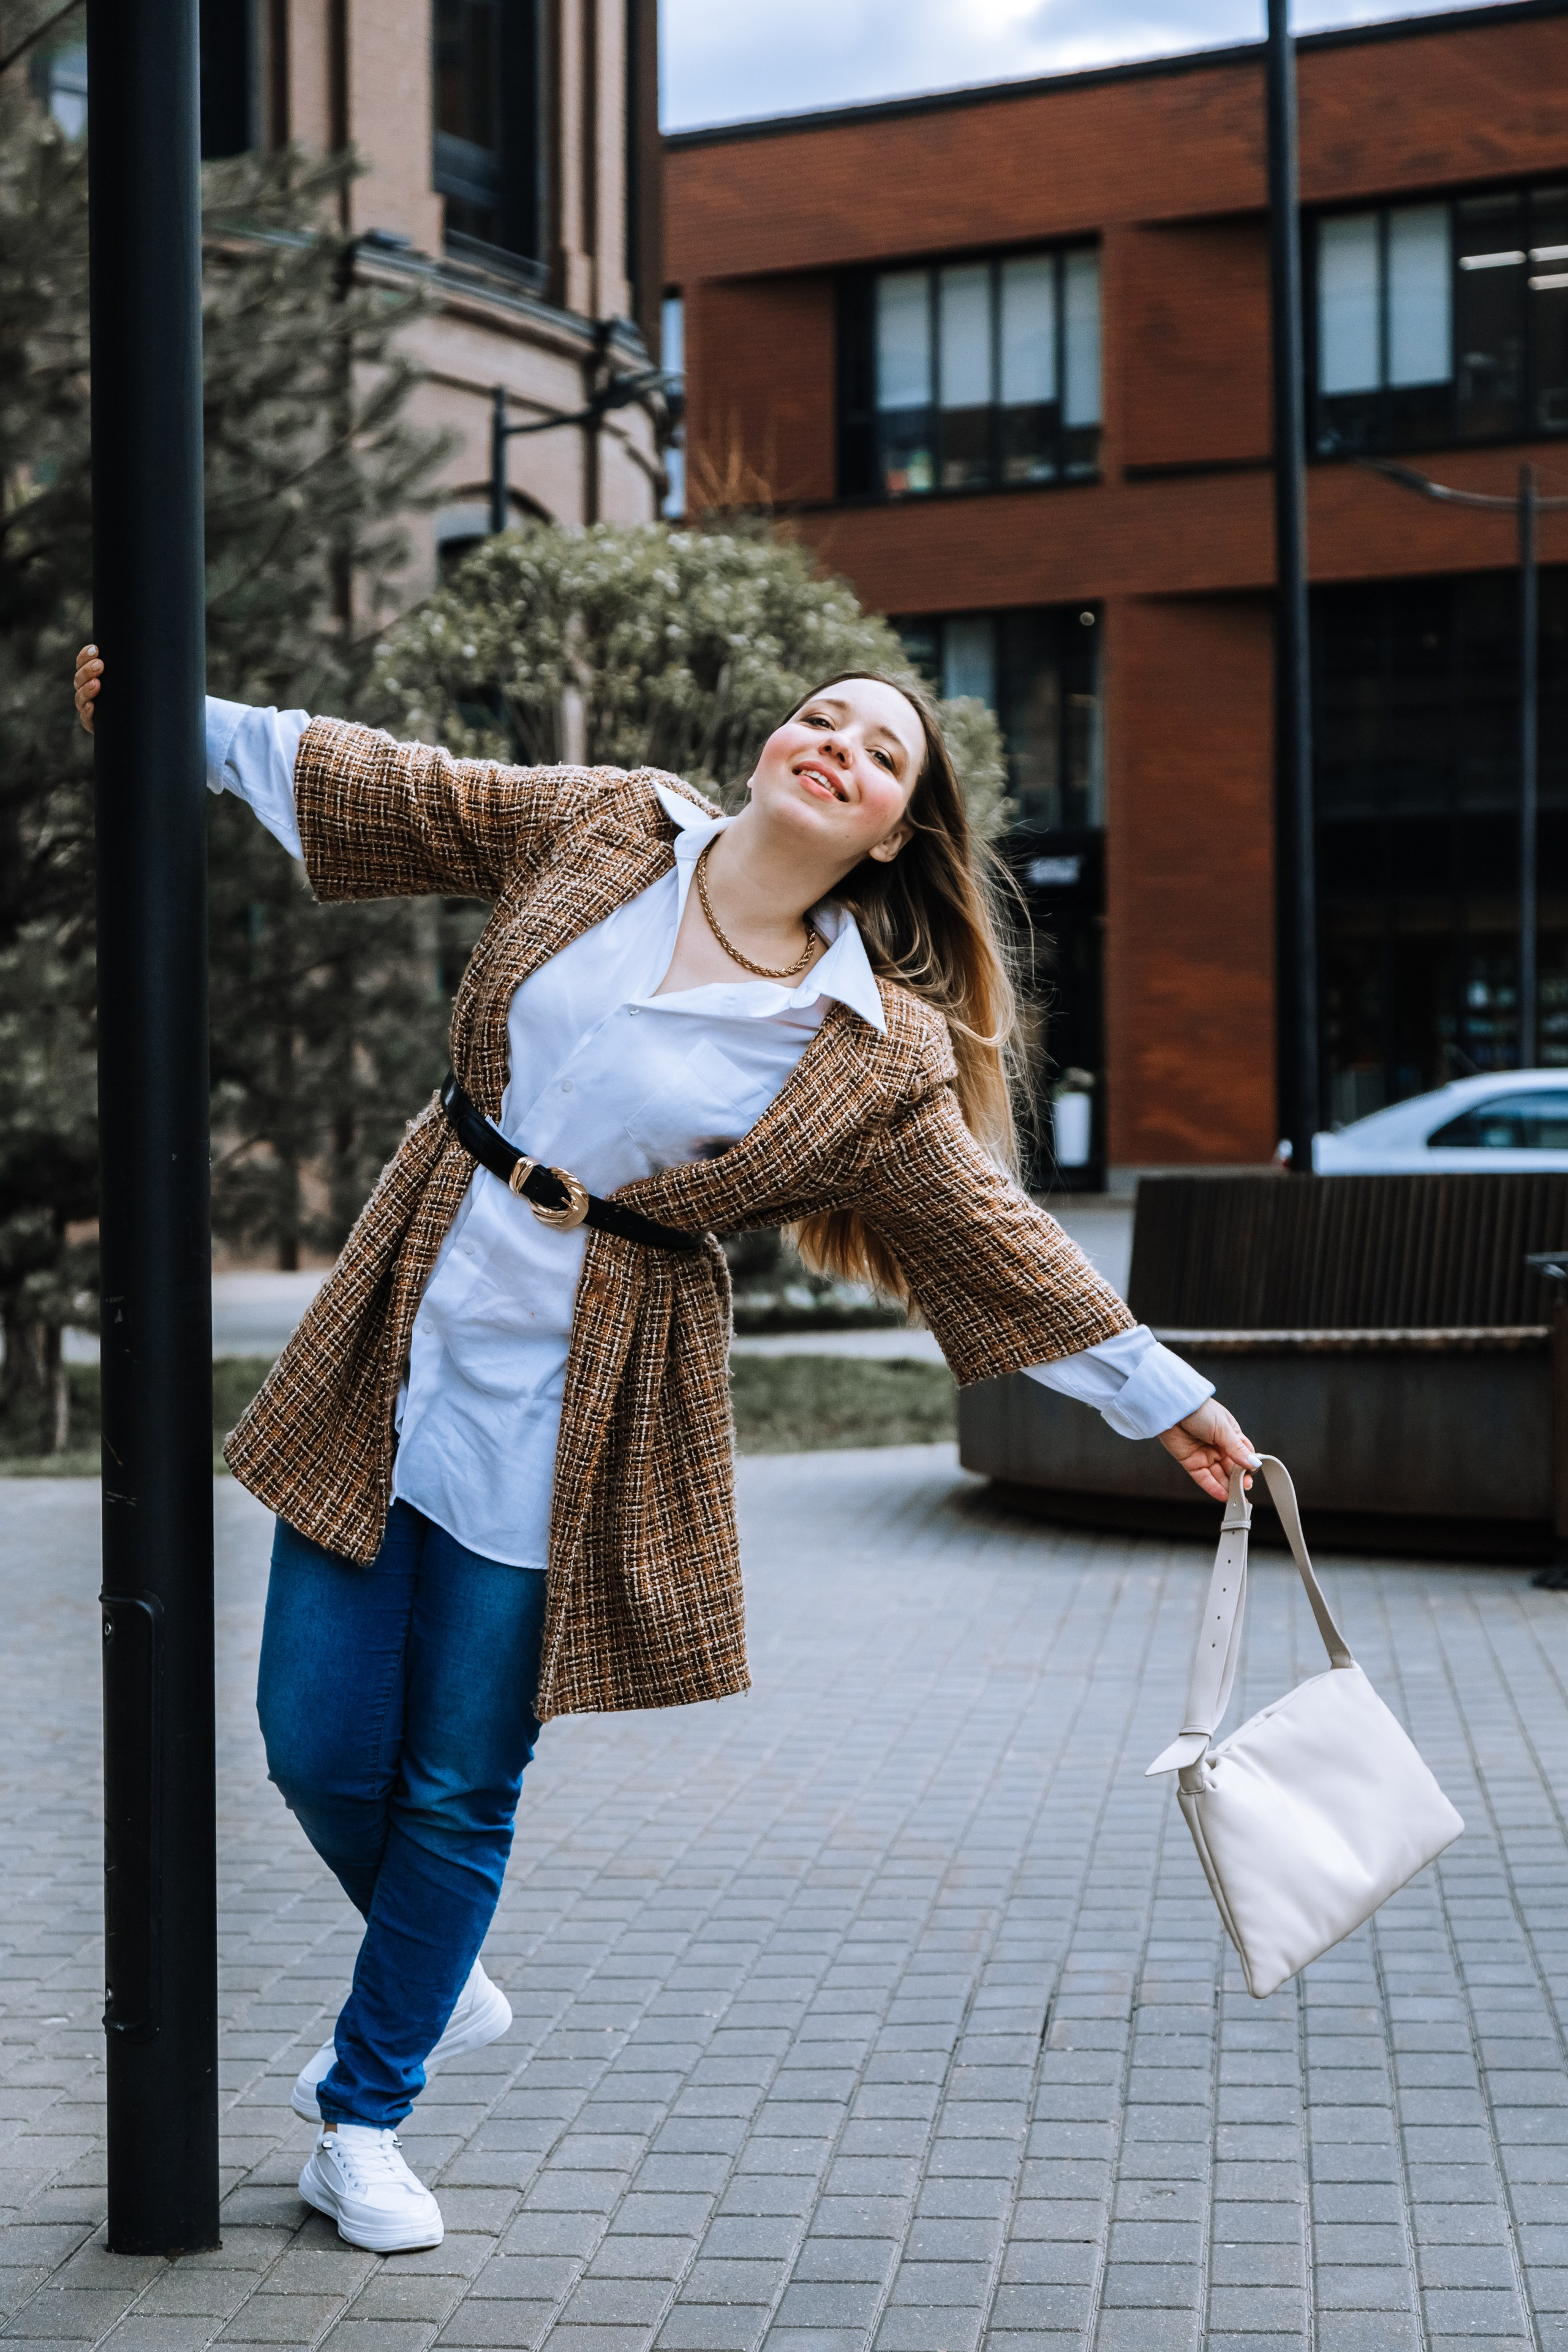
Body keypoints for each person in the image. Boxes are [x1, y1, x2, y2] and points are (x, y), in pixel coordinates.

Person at [74, 644, 1258, 2253]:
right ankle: (440, 1971)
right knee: (311, 1738)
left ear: (901, 832)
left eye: (882, 753)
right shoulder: (616, 827)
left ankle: (368, 2111)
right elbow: (407, 790)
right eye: (823, 716)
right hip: (414, 1300)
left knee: (460, 1780)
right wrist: (175, 718)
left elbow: (998, 1238)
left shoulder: (874, 1047)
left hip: (592, 1392)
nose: (837, 746)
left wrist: (1165, 1397)